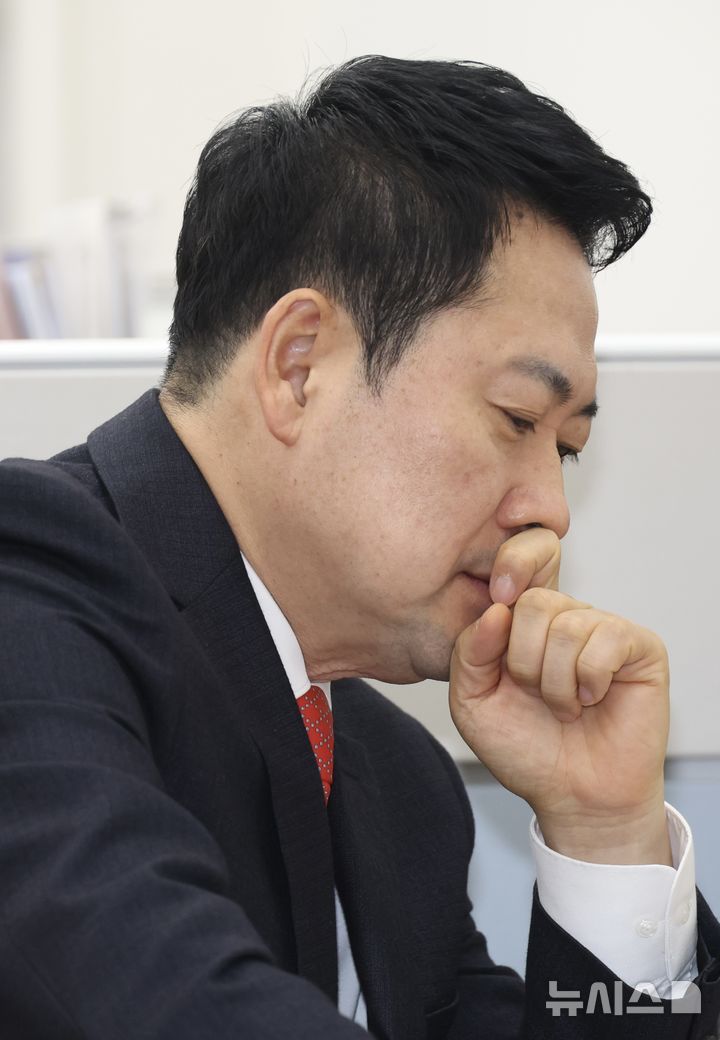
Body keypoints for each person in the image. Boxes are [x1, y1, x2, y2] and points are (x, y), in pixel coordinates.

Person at [1, 55, 718, 1039]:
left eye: (566, 449)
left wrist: (606, 834)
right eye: (517, 417)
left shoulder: (400, 781)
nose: (551, 511)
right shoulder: (28, 587)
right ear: (299, 365)